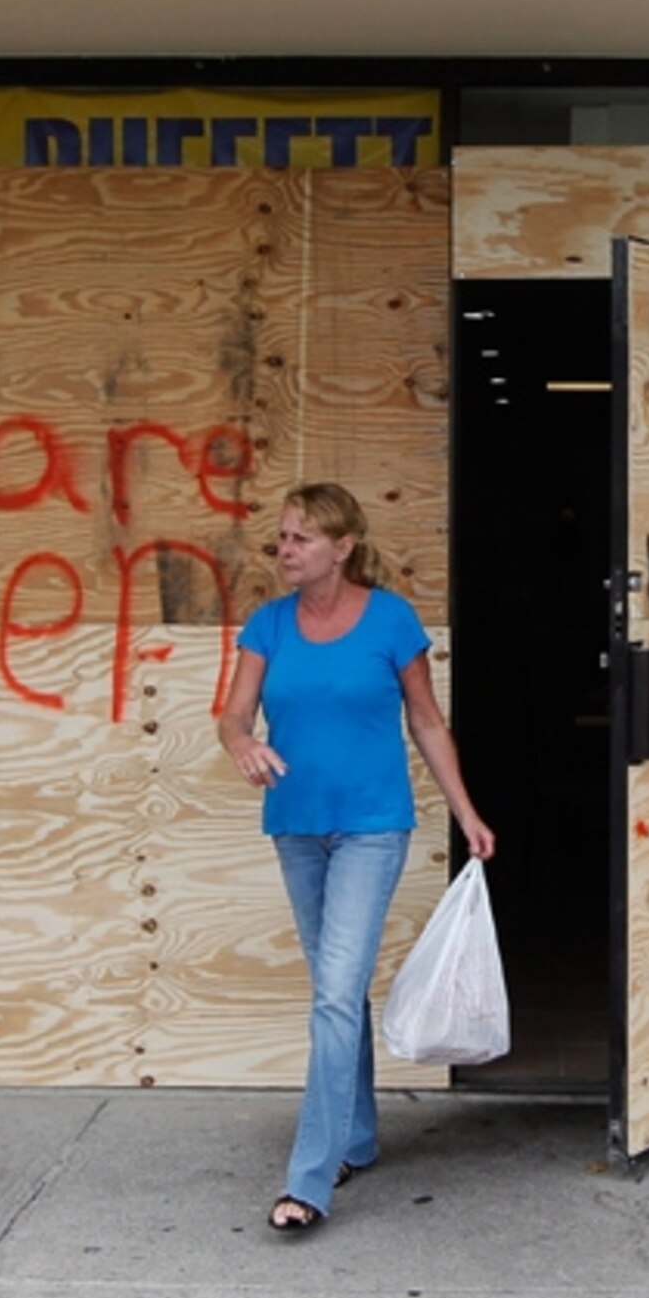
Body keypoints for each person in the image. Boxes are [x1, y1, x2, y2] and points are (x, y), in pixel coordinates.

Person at [219, 483, 494, 1233]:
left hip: (373, 827)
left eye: (302, 538)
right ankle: (359, 1135)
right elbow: (234, 713)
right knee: (336, 988)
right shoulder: (268, 625)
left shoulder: (393, 621)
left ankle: (310, 1177)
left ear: (342, 546)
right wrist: (241, 742)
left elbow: (429, 723)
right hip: (297, 825)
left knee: (336, 993)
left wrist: (465, 810)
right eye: (281, 537)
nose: (285, 550)